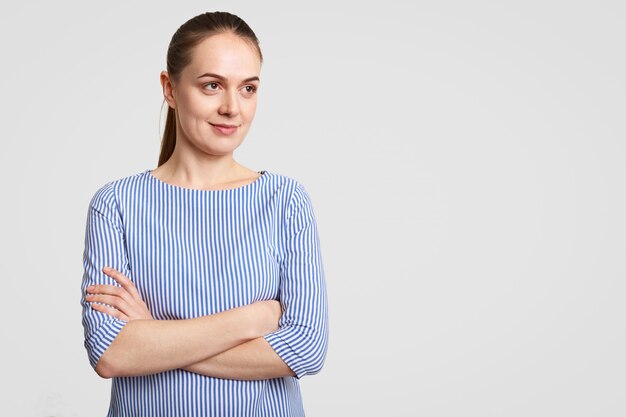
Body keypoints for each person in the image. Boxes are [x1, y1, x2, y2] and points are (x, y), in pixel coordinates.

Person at [80, 11, 328, 417]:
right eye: (212, 85)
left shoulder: (285, 201)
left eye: (248, 88)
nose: (232, 107)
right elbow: (110, 353)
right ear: (170, 88)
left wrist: (153, 340)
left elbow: (305, 349)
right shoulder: (117, 205)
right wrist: (251, 320)